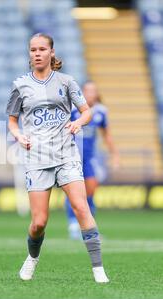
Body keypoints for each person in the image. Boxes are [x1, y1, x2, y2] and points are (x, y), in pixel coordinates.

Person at [6, 33, 109, 283]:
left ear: (52, 52)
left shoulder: (67, 82)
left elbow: (87, 112)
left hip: (66, 155)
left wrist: (77, 123)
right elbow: (12, 120)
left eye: (42, 49)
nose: (37, 53)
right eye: (33, 49)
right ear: (29, 54)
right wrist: (19, 135)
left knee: (81, 207)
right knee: (39, 223)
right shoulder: (20, 85)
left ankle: (98, 270)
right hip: (37, 159)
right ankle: (32, 258)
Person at [66, 81, 120, 240]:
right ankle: (74, 225)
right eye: (87, 91)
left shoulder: (101, 112)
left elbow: (106, 135)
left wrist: (115, 155)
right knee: (74, 192)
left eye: (93, 91)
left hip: (89, 157)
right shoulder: (73, 109)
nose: (90, 93)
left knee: (90, 190)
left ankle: (88, 227)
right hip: (72, 156)